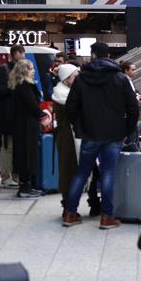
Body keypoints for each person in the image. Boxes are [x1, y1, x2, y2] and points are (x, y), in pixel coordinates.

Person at [63, 42, 139, 228]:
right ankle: (107, 217)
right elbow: (133, 107)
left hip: (89, 133)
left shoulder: (81, 79)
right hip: (114, 134)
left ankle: (70, 213)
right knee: (108, 174)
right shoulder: (120, 78)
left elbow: (71, 107)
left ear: (93, 55)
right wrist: (127, 129)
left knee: (81, 173)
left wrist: (78, 126)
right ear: (109, 55)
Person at [8, 59, 46, 198]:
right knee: (27, 154)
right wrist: (42, 114)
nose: (33, 70)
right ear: (25, 71)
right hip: (27, 125)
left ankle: (27, 185)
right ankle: (25, 187)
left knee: (25, 153)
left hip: (23, 124)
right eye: (31, 68)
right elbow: (31, 104)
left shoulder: (20, 85)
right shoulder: (25, 86)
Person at [0, 45, 26, 188]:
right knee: (7, 146)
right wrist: (13, 86)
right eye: (21, 53)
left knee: (16, 146)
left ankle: (16, 175)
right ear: (15, 54)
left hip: (18, 114)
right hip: (6, 114)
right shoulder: (2, 69)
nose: (23, 56)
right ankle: (5, 177)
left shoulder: (21, 69)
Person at [52, 63, 80, 209]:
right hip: (67, 136)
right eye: (75, 76)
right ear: (66, 78)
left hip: (68, 134)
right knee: (68, 170)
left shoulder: (65, 92)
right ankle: (68, 207)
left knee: (71, 169)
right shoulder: (62, 95)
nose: (77, 78)